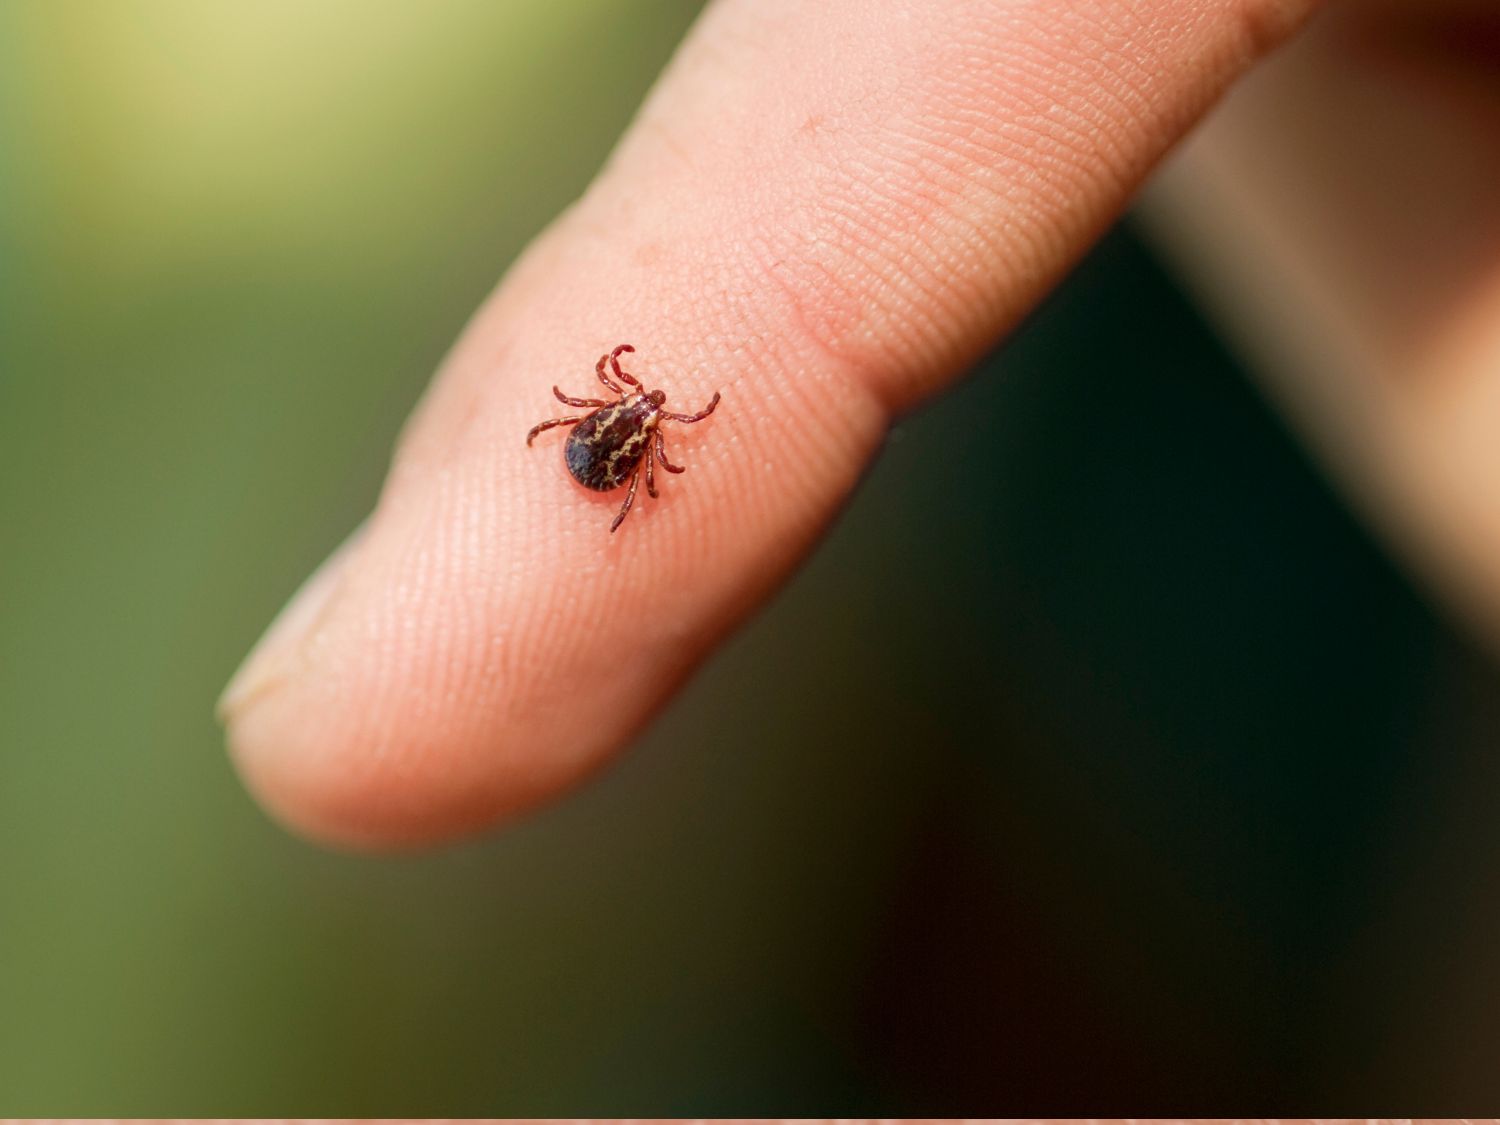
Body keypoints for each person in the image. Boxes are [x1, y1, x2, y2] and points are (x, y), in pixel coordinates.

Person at [219, 0, 1488, 848]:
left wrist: (609, 448)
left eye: (633, 410)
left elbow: (599, 422)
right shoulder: (632, 428)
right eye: (632, 410)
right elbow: (619, 429)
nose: (636, 416)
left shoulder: (613, 424)